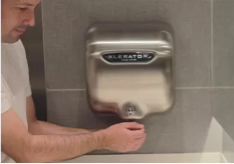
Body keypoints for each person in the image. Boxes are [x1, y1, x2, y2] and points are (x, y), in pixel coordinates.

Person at [0, 0, 146, 163]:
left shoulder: (13, 46)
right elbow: (26, 152)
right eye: (22, 8)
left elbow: (32, 127)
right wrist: (102, 139)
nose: (31, 21)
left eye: (34, 9)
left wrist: (107, 136)